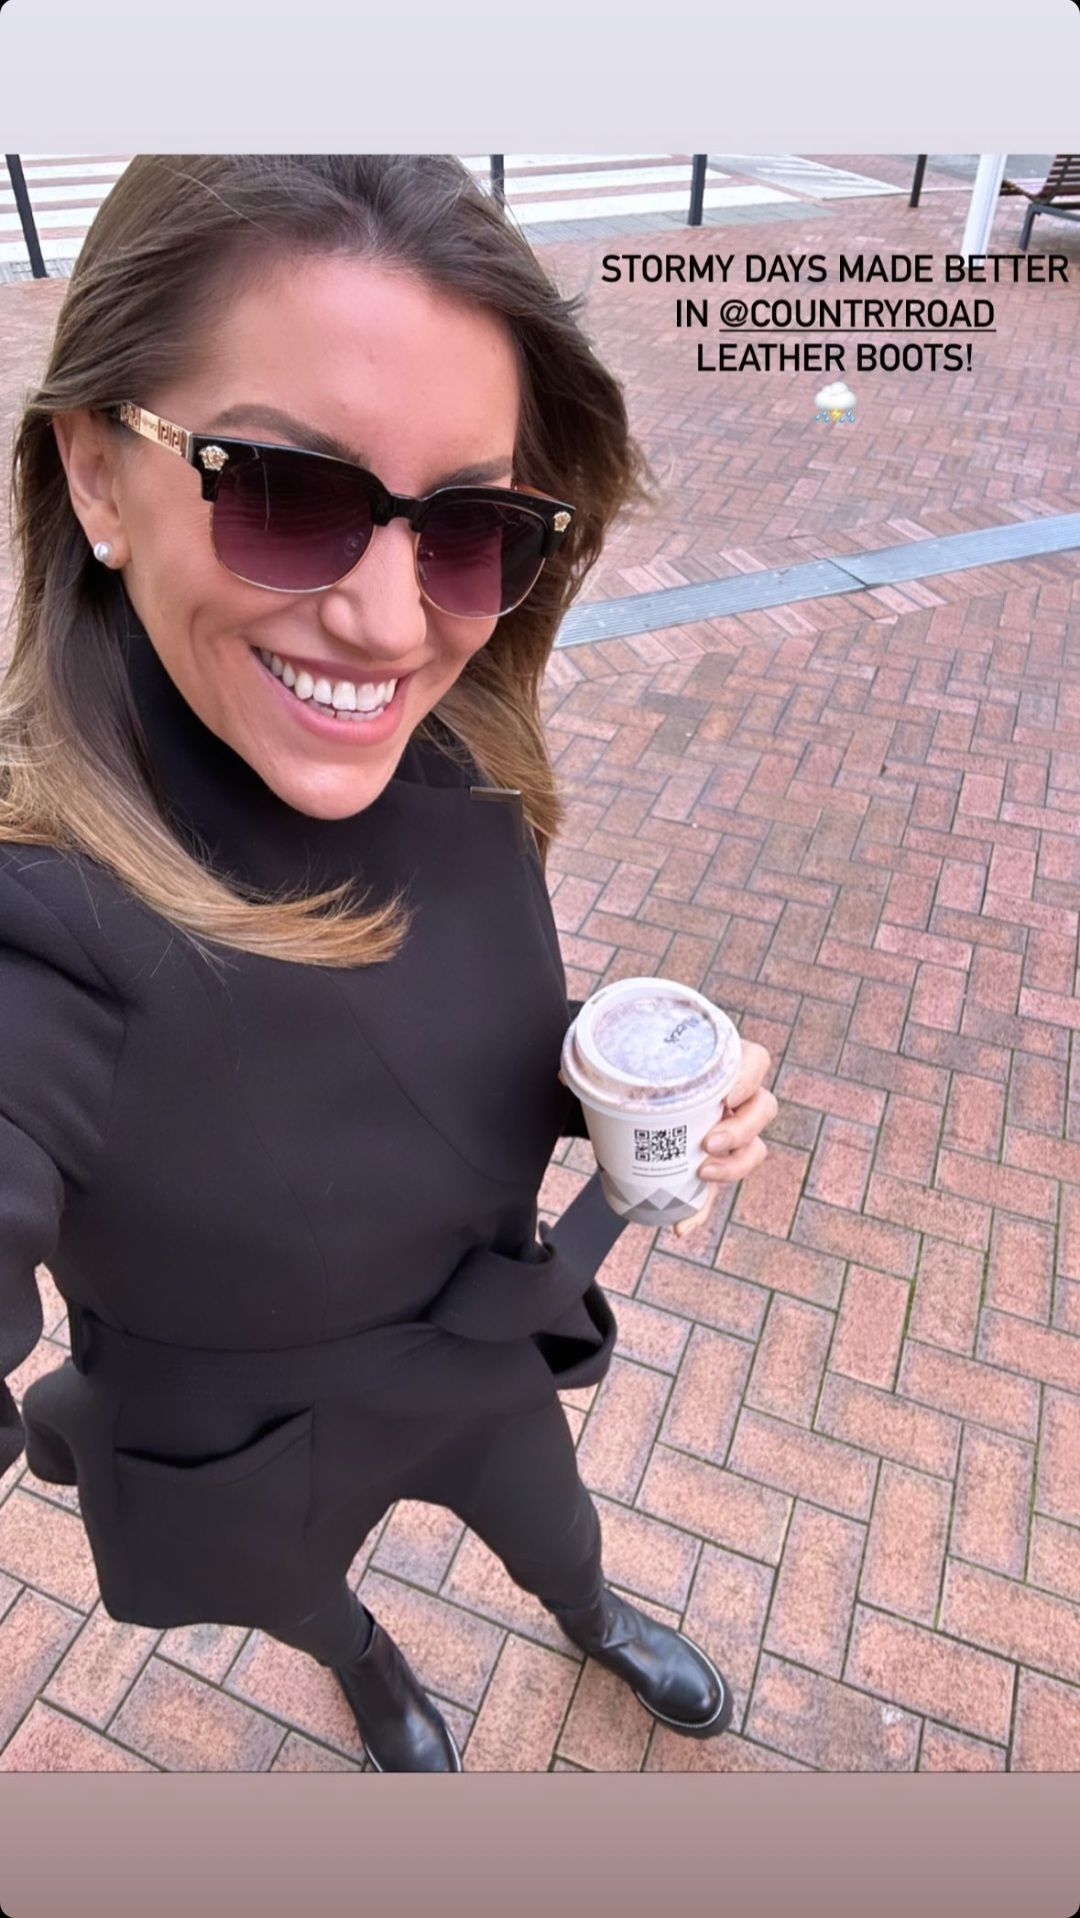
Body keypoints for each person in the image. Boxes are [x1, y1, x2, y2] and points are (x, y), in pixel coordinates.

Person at [0, 154, 777, 1773]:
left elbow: (425, 1037)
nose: (389, 621)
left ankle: (592, 1616)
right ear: (95, 473)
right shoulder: (33, 920)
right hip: (250, 1436)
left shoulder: (448, 758)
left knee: (556, 1526)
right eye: (287, 493)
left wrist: (619, 1082)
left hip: (479, 1356)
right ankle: (365, 1664)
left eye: (469, 527)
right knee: (295, 1590)